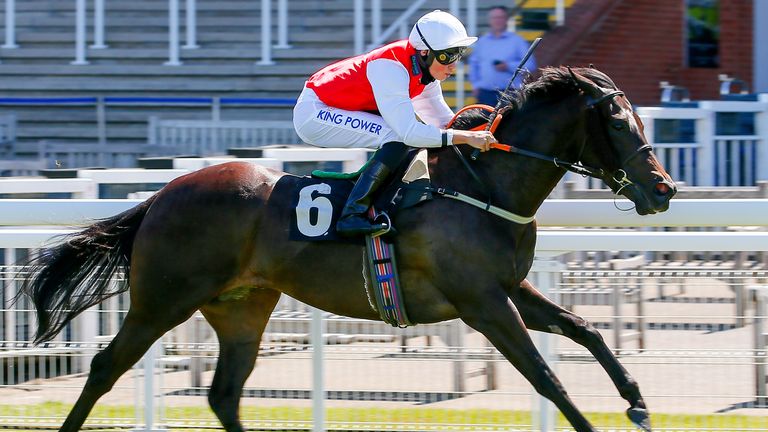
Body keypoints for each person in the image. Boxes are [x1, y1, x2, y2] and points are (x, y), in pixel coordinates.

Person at [293, 10, 498, 237]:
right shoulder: (391, 68)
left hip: (336, 107)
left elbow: (445, 123)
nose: (453, 65)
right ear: (425, 52)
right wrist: (465, 137)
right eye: (447, 56)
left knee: (409, 136)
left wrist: (482, 130)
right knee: (397, 136)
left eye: (458, 55)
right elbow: (410, 133)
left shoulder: (425, 73)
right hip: (315, 114)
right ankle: (352, 215)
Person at [469, 5, 537, 107]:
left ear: (506, 20)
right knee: (486, 123)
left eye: (501, 17)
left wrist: (508, 66)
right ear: (490, 20)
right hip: (485, 94)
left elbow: (531, 64)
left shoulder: (517, 41)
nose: (498, 21)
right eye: (495, 18)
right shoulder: (482, 42)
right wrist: (476, 85)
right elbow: (474, 65)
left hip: (510, 93)